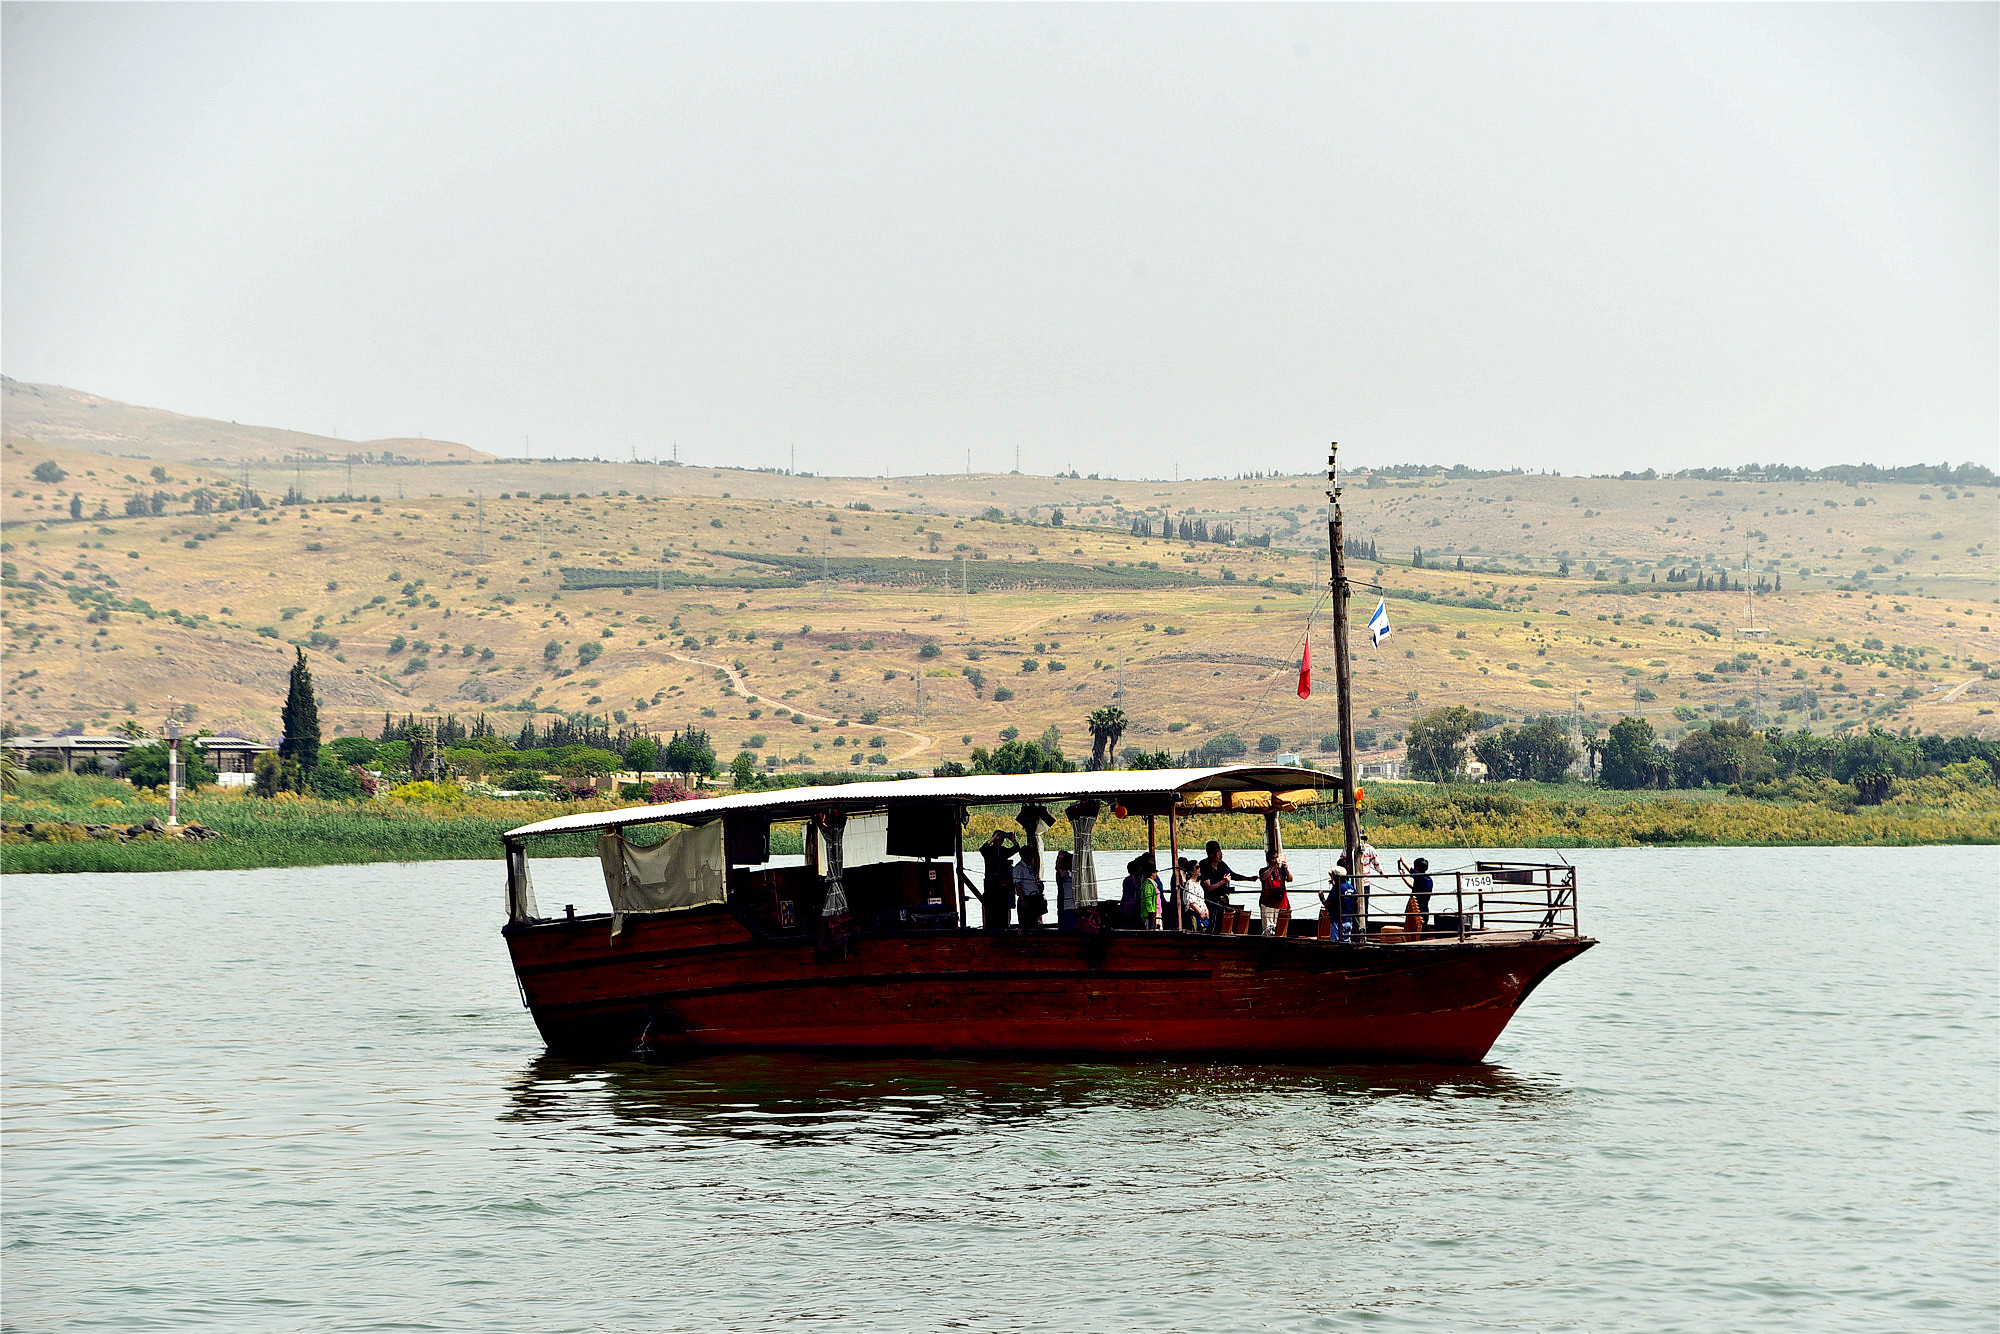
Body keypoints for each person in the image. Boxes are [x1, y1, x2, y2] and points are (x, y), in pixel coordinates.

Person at [1198, 841, 1255, 934]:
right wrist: (1223, 882)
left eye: (1221, 854)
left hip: (1221, 897)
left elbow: (1233, 875)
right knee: (1210, 920)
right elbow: (1208, 887)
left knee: (1220, 919)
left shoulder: (1222, 865)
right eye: (1218, 854)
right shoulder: (1204, 865)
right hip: (1209, 898)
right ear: (1211, 855)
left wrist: (1248, 879)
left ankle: (1218, 935)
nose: (1221, 856)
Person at [977, 829, 1021, 931]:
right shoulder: (989, 851)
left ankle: (1004, 927)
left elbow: (1017, 849)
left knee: (1002, 910)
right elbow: (982, 849)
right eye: (998, 837)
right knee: (991, 910)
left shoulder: (1003, 851)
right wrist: (992, 840)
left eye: (1001, 837)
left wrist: (1013, 840)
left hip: (1002, 887)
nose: (999, 839)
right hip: (990, 886)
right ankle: (991, 928)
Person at [1257, 850, 1293, 938]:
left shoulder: (1281, 871)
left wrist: (1287, 869)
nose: (1275, 860)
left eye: (1276, 858)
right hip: (1268, 903)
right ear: (1268, 860)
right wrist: (1273, 867)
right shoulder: (1263, 870)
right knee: (1268, 930)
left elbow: (1290, 879)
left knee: (1281, 929)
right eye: (1272, 858)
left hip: (1281, 903)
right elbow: (1263, 877)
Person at [1324, 855, 1359, 942]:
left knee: (1335, 942)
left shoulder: (1337, 888)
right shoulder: (1351, 887)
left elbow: (1327, 904)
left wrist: (1322, 898)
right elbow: (1356, 903)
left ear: (1336, 876)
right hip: (1348, 920)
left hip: (1337, 921)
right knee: (1346, 941)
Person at [1396, 856, 1435, 934]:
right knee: (1421, 931)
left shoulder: (1419, 876)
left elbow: (1407, 866)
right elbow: (1413, 886)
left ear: (1416, 867)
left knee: (1414, 930)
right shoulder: (1428, 879)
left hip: (1417, 910)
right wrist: (1403, 877)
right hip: (1424, 909)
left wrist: (1402, 859)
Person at [1014, 845, 1047, 928]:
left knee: (1034, 923)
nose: (1030, 856)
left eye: (1031, 854)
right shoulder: (1019, 868)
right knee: (1026, 924)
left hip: (1034, 899)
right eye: (1028, 854)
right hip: (1026, 899)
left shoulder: (1030, 867)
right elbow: (1017, 885)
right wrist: (1023, 900)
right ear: (1022, 855)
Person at [1173, 857, 1208, 932]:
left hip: (1200, 913)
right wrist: (1200, 913)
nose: (1199, 869)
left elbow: (1201, 899)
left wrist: (1206, 910)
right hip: (1193, 913)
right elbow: (1191, 902)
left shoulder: (1198, 883)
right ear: (1192, 870)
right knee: (1193, 931)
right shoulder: (1189, 884)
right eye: (1197, 867)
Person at [1054, 849, 1078, 929]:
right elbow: (1058, 868)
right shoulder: (1064, 874)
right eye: (1070, 862)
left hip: (1075, 905)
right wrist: (1059, 859)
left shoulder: (1076, 874)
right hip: (1066, 906)